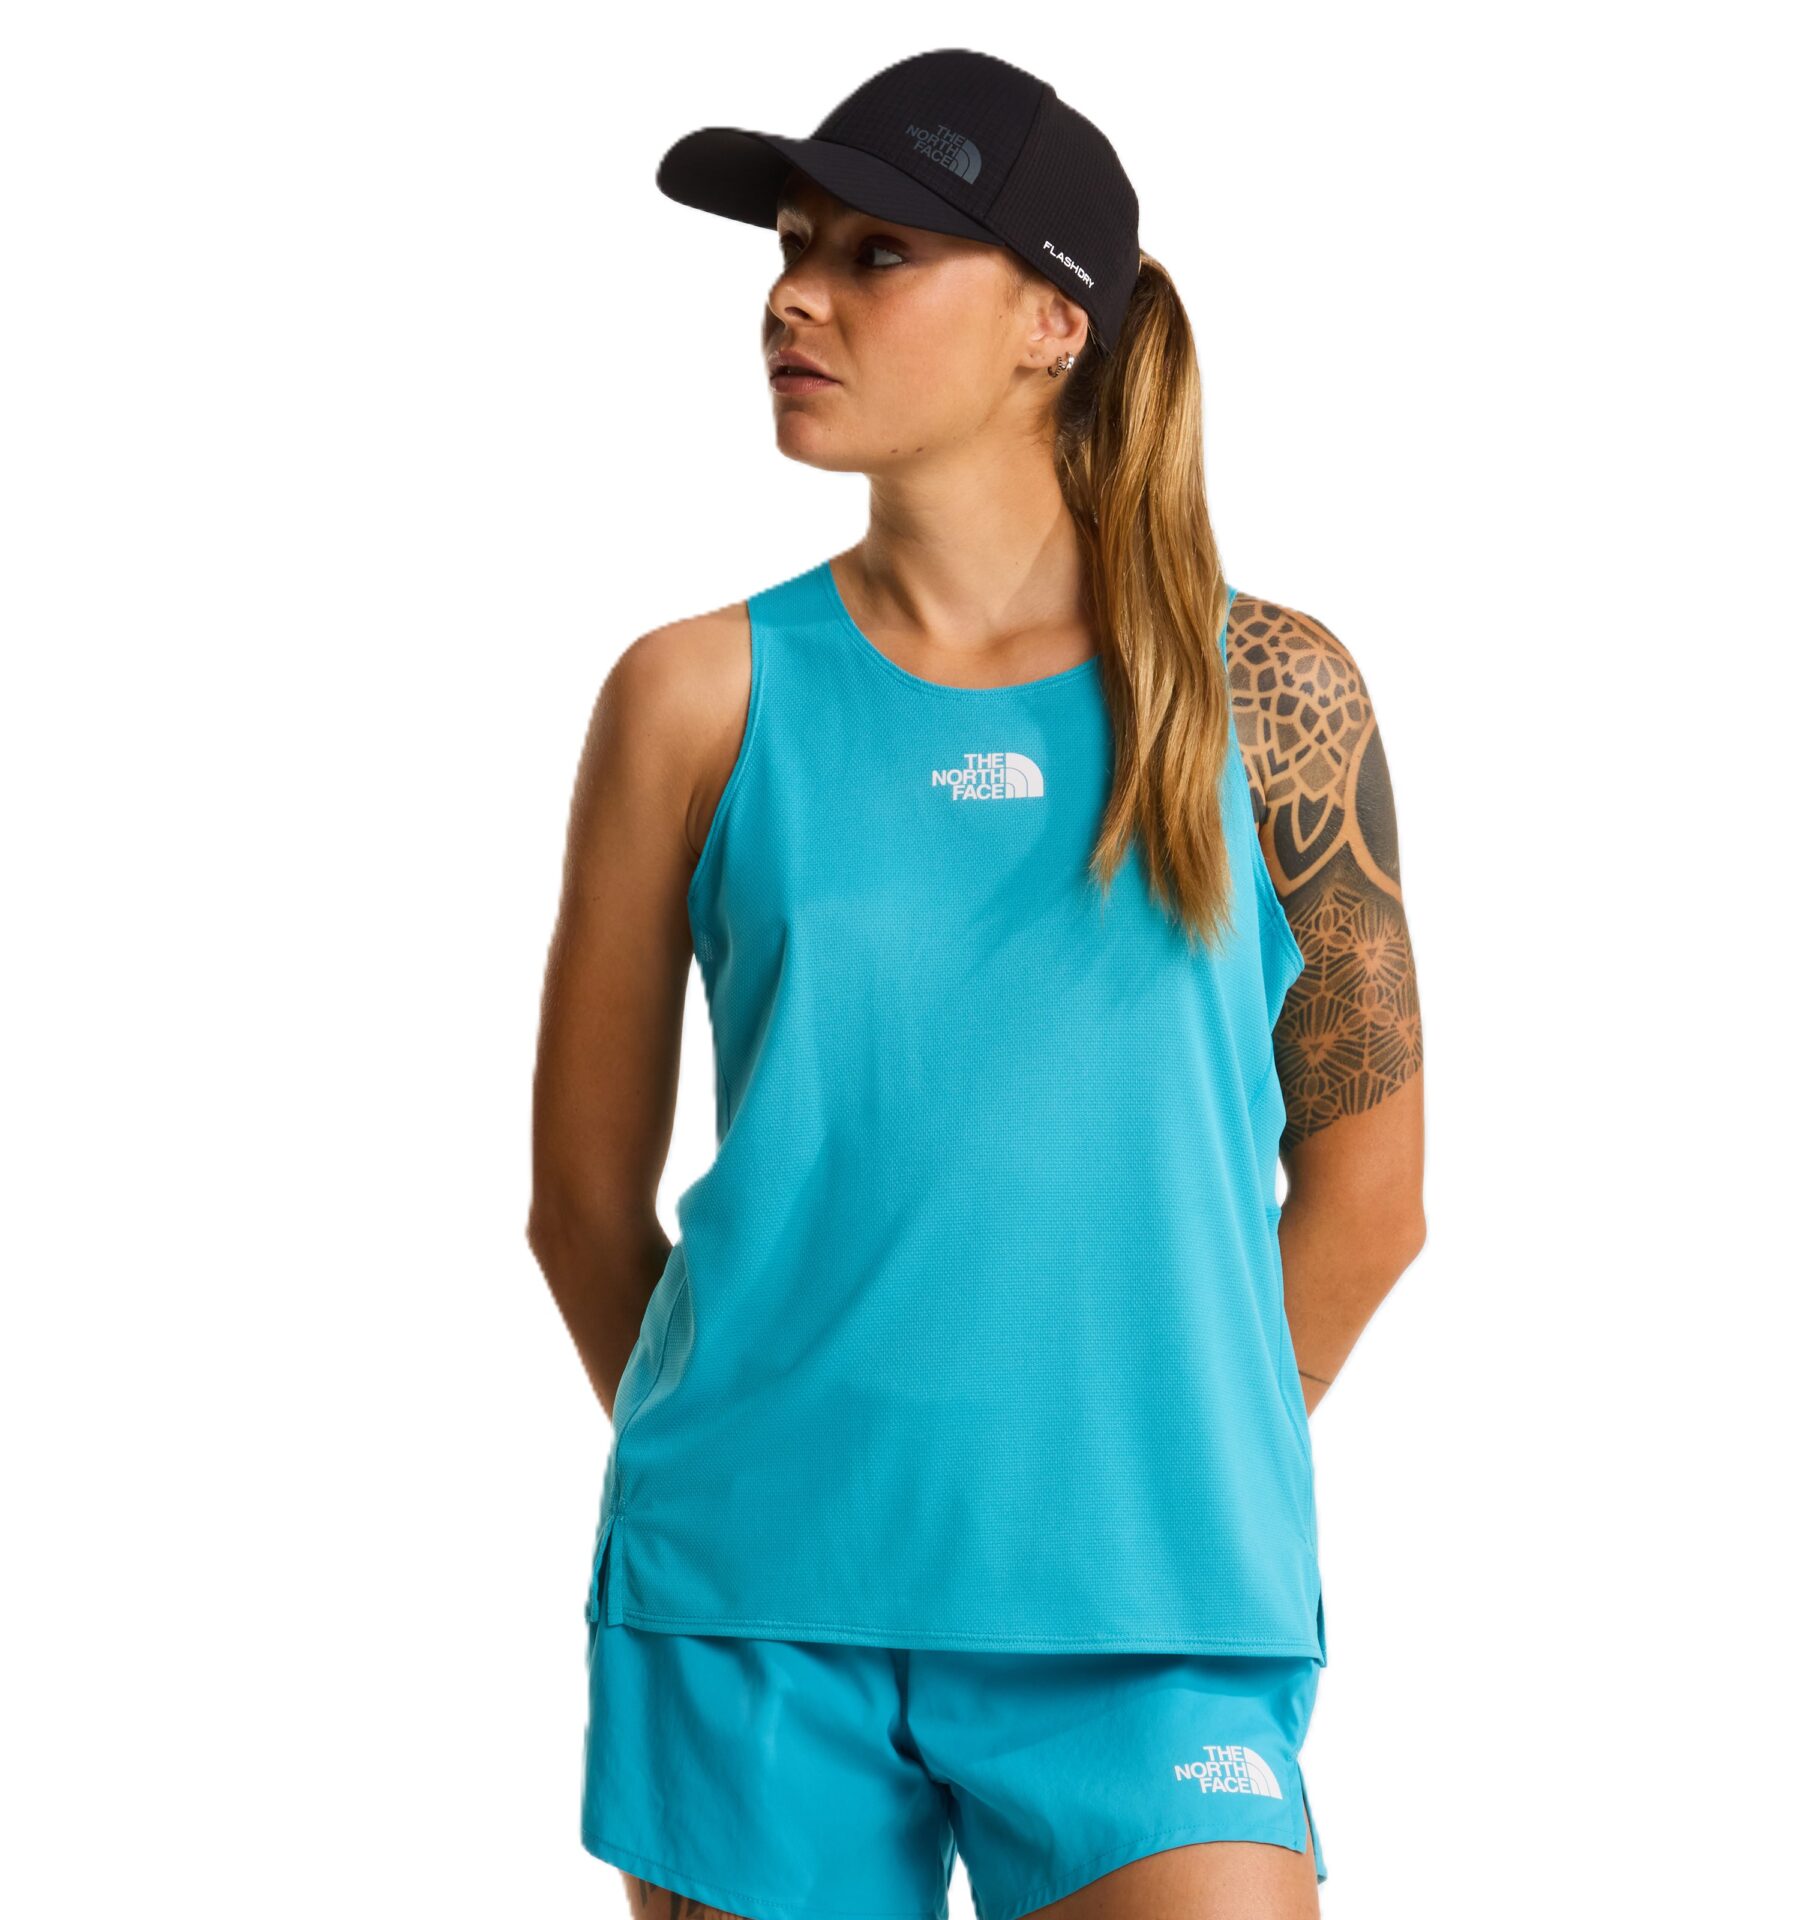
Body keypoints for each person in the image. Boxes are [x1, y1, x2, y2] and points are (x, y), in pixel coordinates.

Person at [527, 47, 1425, 1920]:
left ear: (1051, 322)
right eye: (791, 247)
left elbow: (1370, 1198)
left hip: (1154, 1608)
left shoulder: (1271, 698)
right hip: (757, 1605)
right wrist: (759, 1480)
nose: (796, 296)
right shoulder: (693, 699)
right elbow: (579, 1209)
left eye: (876, 254)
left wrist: (1147, 1458)